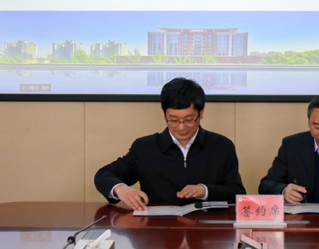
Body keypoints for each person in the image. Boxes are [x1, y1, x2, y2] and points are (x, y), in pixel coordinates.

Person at [95, 77, 246, 210]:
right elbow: (104, 175)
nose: (181, 127)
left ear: (201, 113)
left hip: (207, 227)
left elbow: (237, 193)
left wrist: (205, 191)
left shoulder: (222, 146)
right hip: (157, 227)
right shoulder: (145, 148)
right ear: (164, 114)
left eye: (188, 120)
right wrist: (121, 189)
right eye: (173, 120)